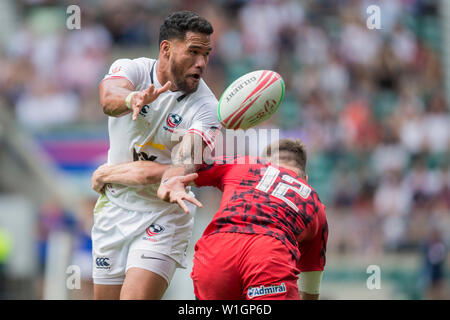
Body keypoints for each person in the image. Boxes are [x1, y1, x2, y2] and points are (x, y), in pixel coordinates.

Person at [92, 138, 328, 299]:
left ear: (267, 162)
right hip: (268, 251)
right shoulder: (316, 205)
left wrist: (109, 173)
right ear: (305, 176)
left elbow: (177, 170)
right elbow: (310, 288)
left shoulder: (246, 163)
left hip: (217, 251)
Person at [93, 11, 219, 300]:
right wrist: (130, 98)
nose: (202, 63)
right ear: (166, 49)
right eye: (194, 52)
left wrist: (176, 177)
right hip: (114, 210)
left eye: (206, 54)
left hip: (164, 217)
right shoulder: (133, 70)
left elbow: (183, 163)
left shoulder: (207, 109)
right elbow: (108, 97)